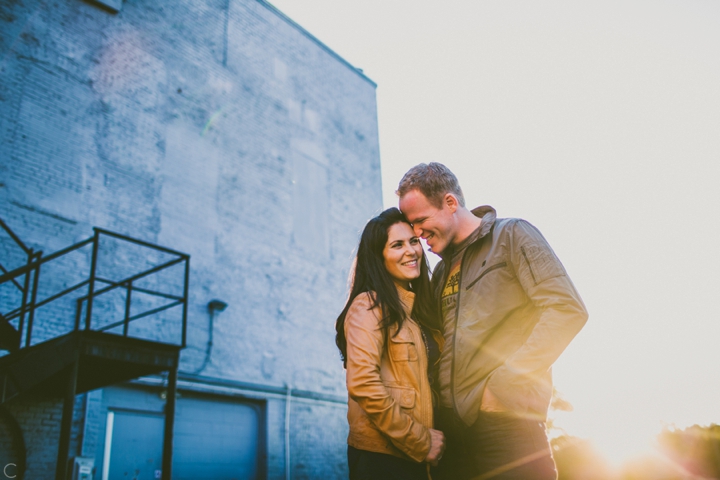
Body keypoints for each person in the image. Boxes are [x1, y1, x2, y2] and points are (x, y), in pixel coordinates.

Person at [397, 163, 588, 480]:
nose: (416, 234)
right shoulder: (442, 272)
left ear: (450, 203)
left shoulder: (512, 235)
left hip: (508, 426)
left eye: (420, 221)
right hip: (455, 441)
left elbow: (566, 309)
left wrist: (501, 384)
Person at [335, 207, 446, 480]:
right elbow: (362, 383)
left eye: (413, 241)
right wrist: (419, 440)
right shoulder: (369, 305)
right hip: (384, 460)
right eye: (397, 245)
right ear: (379, 257)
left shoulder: (417, 311)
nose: (411, 251)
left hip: (421, 458)